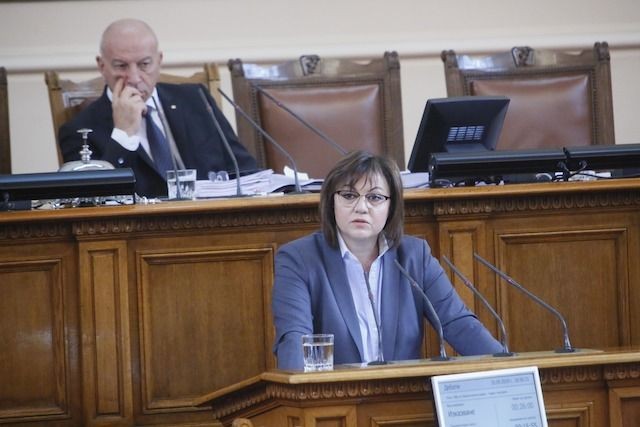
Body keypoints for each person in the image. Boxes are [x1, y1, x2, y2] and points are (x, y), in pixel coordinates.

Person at [272, 150, 503, 370]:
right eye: (349, 195)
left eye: (374, 197)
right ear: (331, 202)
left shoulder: (414, 256)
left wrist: (510, 371)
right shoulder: (299, 259)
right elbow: (294, 338)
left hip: (401, 395)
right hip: (333, 396)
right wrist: (299, 391)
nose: (361, 207)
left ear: (391, 206)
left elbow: (459, 324)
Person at [58, 18, 257, 197]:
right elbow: (93, 200)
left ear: (159, 60)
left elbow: (246, 171)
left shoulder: (196, 99)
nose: (134, 78)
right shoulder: (79, 130)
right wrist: (123, 134)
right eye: (121, 66)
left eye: (144, 64)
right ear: (102, 66)